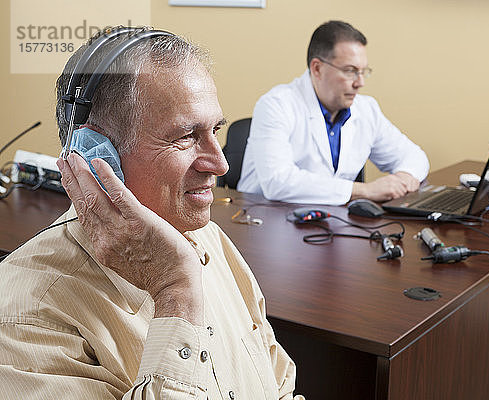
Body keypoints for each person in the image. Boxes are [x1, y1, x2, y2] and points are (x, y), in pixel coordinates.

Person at [0, 27, 304, 400]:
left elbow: (278, 381)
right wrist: (176, 291)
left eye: (216, 130)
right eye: (186, 136)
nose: (220, 163)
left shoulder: (206, 237)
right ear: (95, 156)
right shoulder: (24, 317)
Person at [237, 20, 430, 205]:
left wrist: (405, 177)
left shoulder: (366, 109)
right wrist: (364, 190)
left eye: (363, 71)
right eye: (350, 71)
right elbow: (277, 182)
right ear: (317, 68)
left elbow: (414, 156)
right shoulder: (276, 105)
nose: (360, 82)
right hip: (264, 222)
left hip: (331, 223)